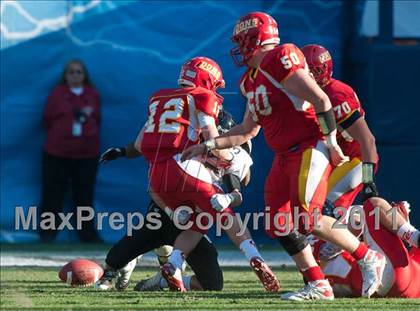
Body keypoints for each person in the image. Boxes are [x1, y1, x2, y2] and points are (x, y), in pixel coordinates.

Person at [182, 12, 385, 300]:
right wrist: (208, 146)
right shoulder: (248, 81)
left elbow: (321, 100)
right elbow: (247, 131)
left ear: (254, 38)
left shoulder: (280, 58)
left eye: (242, 41)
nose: (239, 47)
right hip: (283, 156)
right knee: (278, 222)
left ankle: (367, 257)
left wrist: (330, 141)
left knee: (309, 219)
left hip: (307, 148)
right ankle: (318, 283)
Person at [94, 109, 248, 292]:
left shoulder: (230, 154)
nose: (217, 141)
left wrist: (234, 155)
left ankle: (163, 279)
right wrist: (122, 151)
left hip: (192, 225)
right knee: (122, 253)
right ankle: (119, 268)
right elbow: (151, 181)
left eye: (223, 137)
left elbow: (243, 179)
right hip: (164, 214)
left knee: (213, 284)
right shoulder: (182, 146)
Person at [301, 44, 378, 214]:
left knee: (322, 210)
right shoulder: (302, 92)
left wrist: (368, 180)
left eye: (313, 71)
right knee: (314, 207)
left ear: (324, 71)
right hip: (333, 160)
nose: (308, 76)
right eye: (305, 71)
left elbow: (367, 139)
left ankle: (395, 223)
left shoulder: (336, 95)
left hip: (355, 159)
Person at [40, 59, 101, 243]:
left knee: (84, 196)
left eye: (79, 72)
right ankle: (47, 233)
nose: (75, 75)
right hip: (57, 153)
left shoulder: (92, 94)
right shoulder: (57, 94)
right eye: (71, 72)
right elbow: (47, 119)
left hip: (86, 155)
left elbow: (97, 119)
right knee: (53, 194)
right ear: (65, 76)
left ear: (85, 75)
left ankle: (87, 235)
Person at [311, 198, 420, 298]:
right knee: (373, 204)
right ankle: (411, 235)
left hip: (392, 281)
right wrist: (397, 220)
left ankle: (408, 233)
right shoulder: (320, 246)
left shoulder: (314, 252)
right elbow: (358, 221)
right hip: (397, 277)